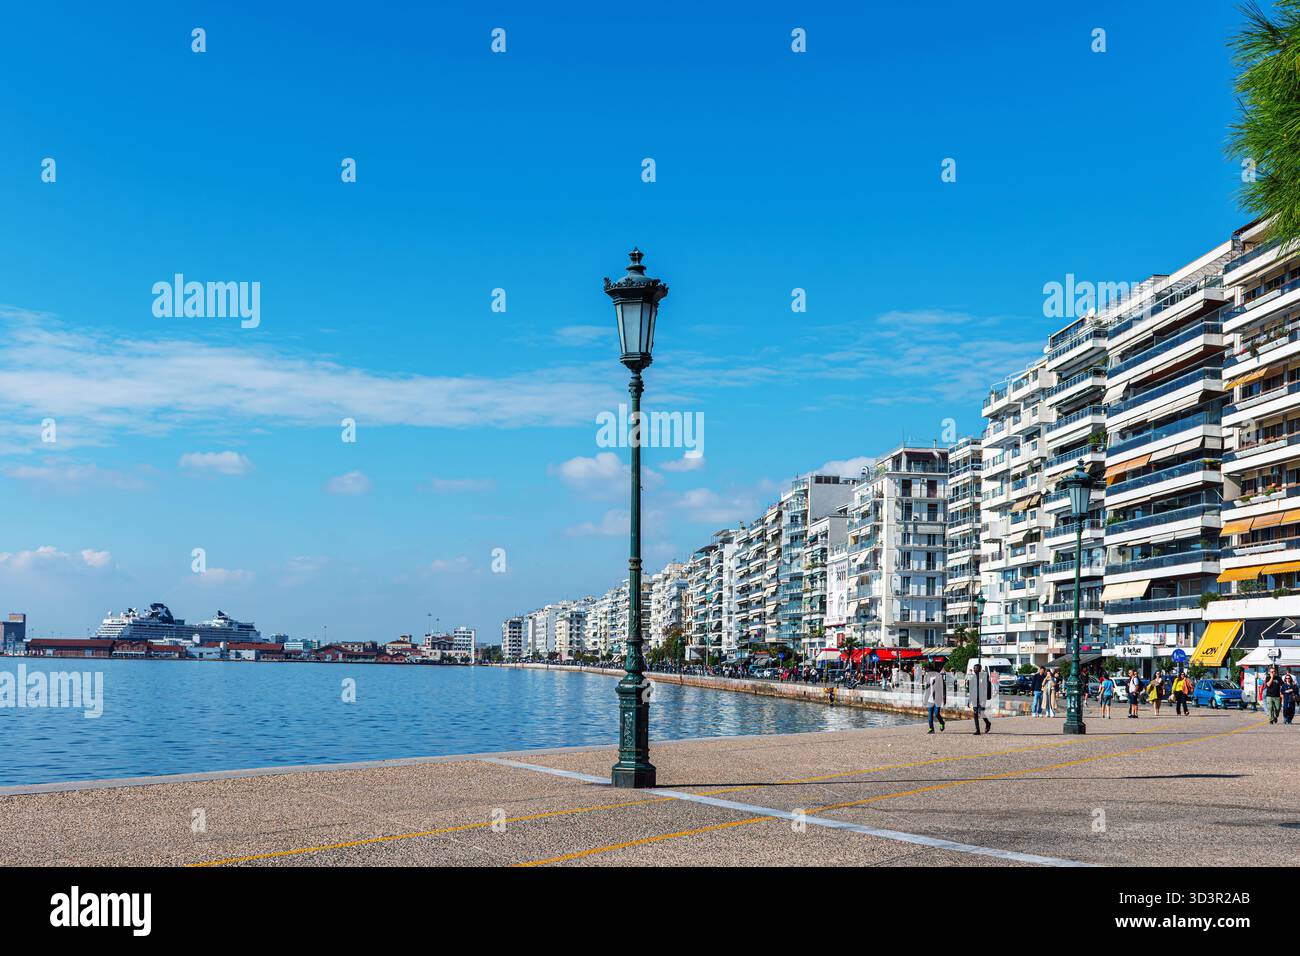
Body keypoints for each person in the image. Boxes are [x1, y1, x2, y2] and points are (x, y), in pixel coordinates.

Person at [970, 662, 993, 735]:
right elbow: (971, 689)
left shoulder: (984, 677)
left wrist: (987, 696)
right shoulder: (973, 677)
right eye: (974, 668)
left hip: (982, 698)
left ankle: (988, 723)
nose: (974, 669)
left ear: (979, 669)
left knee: (981, 712)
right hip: (974, 698)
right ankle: (978, 730)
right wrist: (969, 700)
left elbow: (988, 687)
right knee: (975, 713)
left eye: (975, 668)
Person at [925, 665, 947, 734]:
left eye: (928, 672)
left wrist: (944, 698)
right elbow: (927, 689)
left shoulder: (939, 677)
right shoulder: (928, 678)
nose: (927, 673)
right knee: (930, 714)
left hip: (938, 698)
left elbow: (944, 688)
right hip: (930, 699)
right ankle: (931, 728)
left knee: (937, 713)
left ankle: (942, 722)